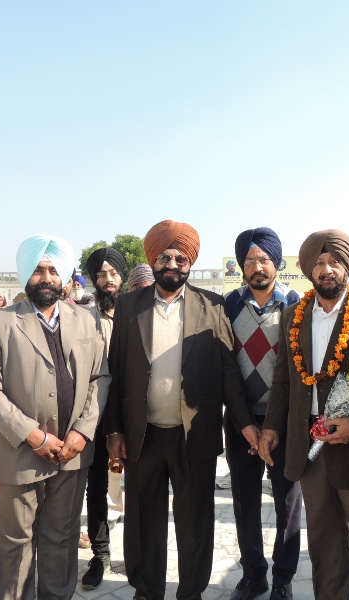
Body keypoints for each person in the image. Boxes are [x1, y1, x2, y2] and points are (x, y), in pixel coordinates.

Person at [106, 219, 259, 600]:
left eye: (180, 258)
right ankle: (147, 590)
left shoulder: (213, 305)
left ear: (190, 263)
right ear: (153, 261)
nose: (172, 264)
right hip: (143, 434)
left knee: (195, 522)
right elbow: (116, 371)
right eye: (164, 257)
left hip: (195, 434)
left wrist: (245, 425)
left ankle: (191, 592)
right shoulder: (128, 306)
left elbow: (227, 372)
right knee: (144, 519)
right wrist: (114, 430)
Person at [259, 229, 349, 600]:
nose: (327, 269)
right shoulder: (293, 316)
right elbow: (283, 381)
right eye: (319, 263)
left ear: (347, 266)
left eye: (335, 261)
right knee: (325, 548)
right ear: (309, 269)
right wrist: (272, 428)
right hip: (310, 449)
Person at [0, 234, 110, 600]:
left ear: (64, 276)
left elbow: (100, 377)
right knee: (14, 543)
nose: (46, 277)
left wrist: (83, 431)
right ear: (24, 274)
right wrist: (34, 436)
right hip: (21, 453)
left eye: (53, 270)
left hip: (72, 453)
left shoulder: (86, 320)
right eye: (38, 270)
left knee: (62, 538)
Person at [224, 228, 302, 600]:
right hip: (241, 420)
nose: (258, 266)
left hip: (284, 420)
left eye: (264, 259)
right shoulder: (228, 304)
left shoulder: (295, 304)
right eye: (250, 260)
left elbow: (297, 369)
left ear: (277, 263)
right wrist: (245, 423)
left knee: (287, 501)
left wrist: (272, 425)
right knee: (245, 499)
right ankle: (254, 574)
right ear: (242, 265)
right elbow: (226, 367)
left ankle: (283, 578)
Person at [79, 246, 127, 590]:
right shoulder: (83, 317)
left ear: (122, 277)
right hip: (95, 411)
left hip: (132, 410)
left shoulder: (137, 312)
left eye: (113, 273)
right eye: (101, 274)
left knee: (138, 485)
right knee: (96, 485)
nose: (108, 280)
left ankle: (139, 552)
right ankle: (100, 554)